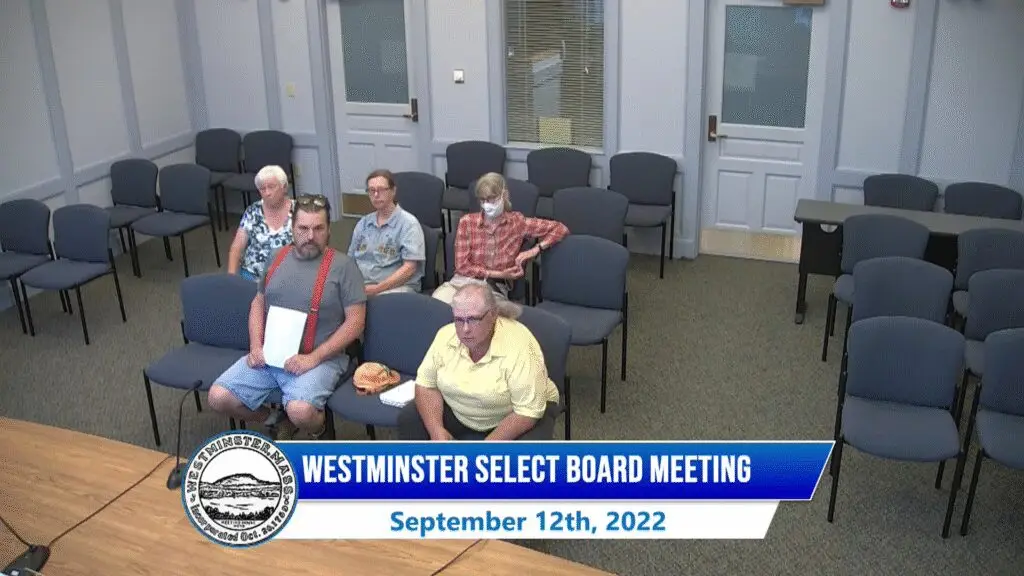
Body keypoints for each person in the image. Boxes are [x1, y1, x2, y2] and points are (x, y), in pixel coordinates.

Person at [208, 194, 367, 440]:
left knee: (301, 411)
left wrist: (314, 358)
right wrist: (256, 346)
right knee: (218, 397)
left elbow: (356, 322)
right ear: (292, 228)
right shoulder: (277, 257)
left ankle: (319, 430)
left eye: (318, 228)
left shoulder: (344, 267)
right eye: (303, 228)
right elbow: (258, 303)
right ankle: (275, 420)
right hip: (271, 355)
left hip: (320, 359)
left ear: (329, 230)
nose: (310, 236)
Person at [398, 283, 559, 441]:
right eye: (459, 320)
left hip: (515, 413)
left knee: (528, 450)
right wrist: (436, 431)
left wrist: (484, 449)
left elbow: (527, 412)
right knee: (410, 418)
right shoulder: (446, 335)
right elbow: (426, 385)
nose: (465, 329)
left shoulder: (519, 344)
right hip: (461, 409)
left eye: (474, 319)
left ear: (493, 314)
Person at [432, 172, 568, 306]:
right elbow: (462, 267)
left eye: (491, 199)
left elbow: (560, 229)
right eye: (483, 200)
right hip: (463, 281)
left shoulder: (517, 222)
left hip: (493, 287)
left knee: (474, 309)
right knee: (438, 303)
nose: (487, 204)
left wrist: (534, 250)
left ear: (504, 195)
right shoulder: (467, 222)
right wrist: (500, 273)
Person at [347, 169, 426, 295]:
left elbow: (409, 269)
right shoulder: (363, 223)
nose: (376, 195)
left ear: (393, 191)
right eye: (371, 190)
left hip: (395, 288)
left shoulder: (408, 224)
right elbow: (350, 261)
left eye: (381, 190)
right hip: (362, 287)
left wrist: (377, 289)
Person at [227, 165, 295, 281]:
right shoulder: (252, 211)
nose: (267, 193)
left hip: (287, 277)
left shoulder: (299, 212)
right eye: (263, 189)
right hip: (252, 275)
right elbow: (237, 248)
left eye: (271, 187)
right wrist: (230, 280)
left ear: (284, 187)